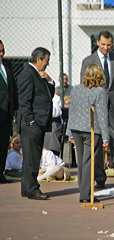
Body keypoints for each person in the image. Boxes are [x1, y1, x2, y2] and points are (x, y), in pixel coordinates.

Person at [80, 31, 114, 187]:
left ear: (112, 44)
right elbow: (84, 85)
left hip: (113, 106)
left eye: (109, 45)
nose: (106, 47)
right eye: (103, 44)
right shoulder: (88, 61)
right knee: (97, 141)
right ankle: (99, 177)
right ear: (97, 43)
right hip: (95, 106)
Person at [67, 64, 109, 203]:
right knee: (89, 161)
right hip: (92, 130)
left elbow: (71, 110)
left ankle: (85, 192)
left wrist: (69, 132)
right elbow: (102, 115)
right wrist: (106, 137)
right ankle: (86, 195)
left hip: (76, 129)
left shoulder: (76, 89)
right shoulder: (100, 91)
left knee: (81, 161)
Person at [17, 47, 54, 200]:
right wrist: (31, 121)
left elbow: (48, 95)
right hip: (32, 123)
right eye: (46, 61)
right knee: (32, 157)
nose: (47, 64)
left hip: (37, 121)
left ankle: (28, 188)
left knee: (32, 156)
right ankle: (32, 189)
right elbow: (24, 101)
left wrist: (49, 80)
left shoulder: (38, 74)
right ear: (38, 60)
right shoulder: (28, 74)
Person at [0, 40, 18, 184]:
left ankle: (1, 174)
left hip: (7, 112)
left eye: (3, 51)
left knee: (4, 143)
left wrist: (15, 107)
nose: (2, 54)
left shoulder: (7, 64)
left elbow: (12, 87)